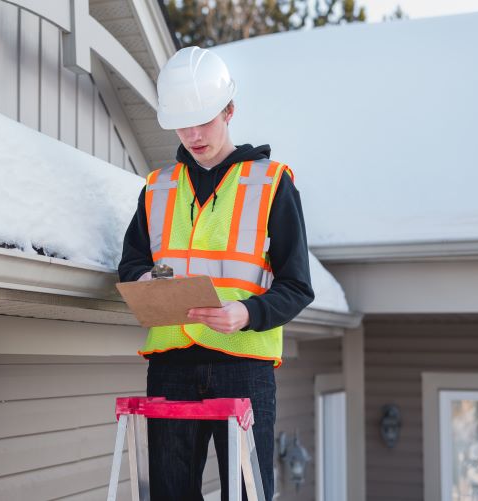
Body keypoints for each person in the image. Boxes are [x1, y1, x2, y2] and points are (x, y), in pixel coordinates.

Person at [118, 46, 314, 500]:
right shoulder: (157, 188)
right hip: (170, 367)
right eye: (183, 124)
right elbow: (131, 264)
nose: (193, 134)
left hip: (242, 368)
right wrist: (146, 283)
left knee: (246, 495)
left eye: (204, 120)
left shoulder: (271, 183)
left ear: (229, 109)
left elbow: (297, 286)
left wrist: (245, 314)